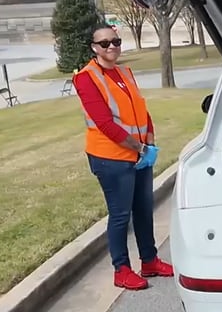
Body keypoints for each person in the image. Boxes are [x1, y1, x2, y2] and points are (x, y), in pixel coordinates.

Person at [72, 22, 173, 290]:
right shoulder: (86, 78)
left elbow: (141, 109)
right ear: (94, 48)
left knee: (144, 209)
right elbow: (105, 123)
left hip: (139, 154)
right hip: (111, 157)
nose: (111, 47)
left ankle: (149, 261)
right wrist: (139, 148)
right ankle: (122, 270)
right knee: (120, 215)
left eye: (115, 41)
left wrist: (149, 142)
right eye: (104, 43)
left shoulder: (125, 72)